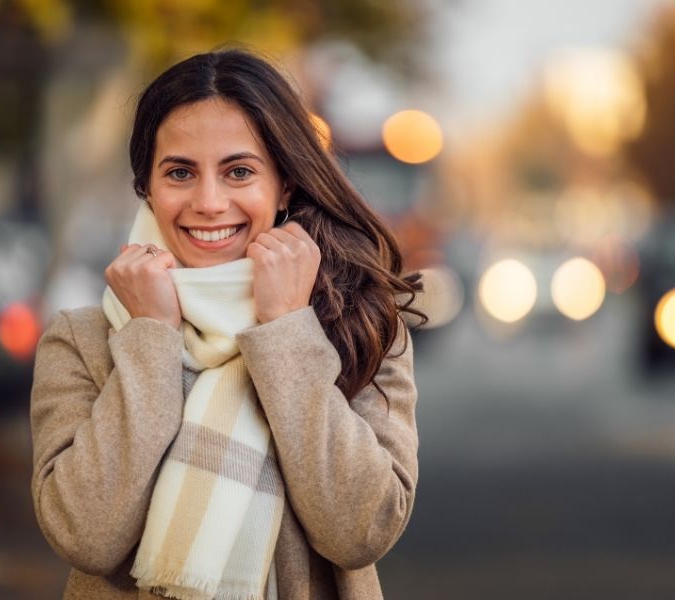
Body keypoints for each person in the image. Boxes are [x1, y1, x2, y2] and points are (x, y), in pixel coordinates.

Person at [30, 48, 423, 600]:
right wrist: (150, 340)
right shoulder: (83, 340)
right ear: (146, 187)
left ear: (285, 184)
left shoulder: (359, 325)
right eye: (180, 172)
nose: (209, 202)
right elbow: (86, 536)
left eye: (239, 171)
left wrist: (287, 327)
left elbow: (360, 531)